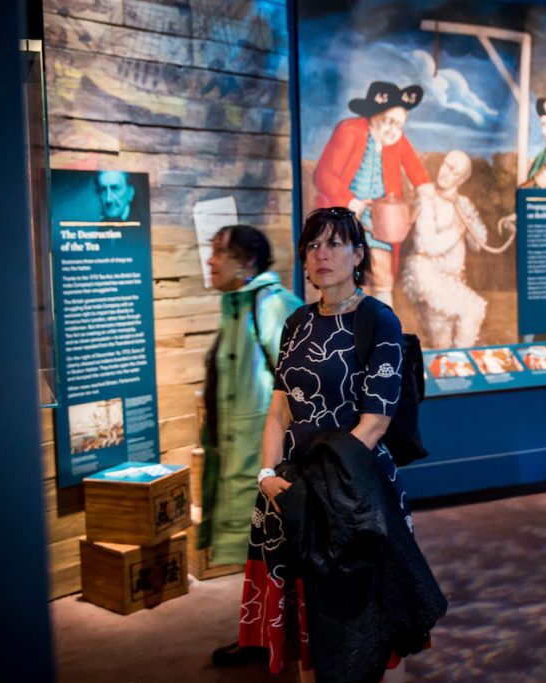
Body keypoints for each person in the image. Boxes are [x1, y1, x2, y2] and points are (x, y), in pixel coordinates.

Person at [239, 207, 444, 682]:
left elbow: (375, 422)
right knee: (307, 615)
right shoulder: (296, 323)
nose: (322, 254)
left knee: (360, 618)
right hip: (292, 490)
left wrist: (322, 485)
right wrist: (268, 475)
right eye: (313, 246)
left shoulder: (378, 321)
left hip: (353, 489)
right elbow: (279, 409)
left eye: (334, 244)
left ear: (357, 255)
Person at [204, 225, 303, 668]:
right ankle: (260, 638)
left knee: (277, 554)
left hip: (270, 462)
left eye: (220, 252)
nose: (211, 261)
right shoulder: (238, 307)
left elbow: (300, 388)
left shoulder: (271, 306)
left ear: (246, 264)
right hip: (246, 455)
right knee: (261, 555)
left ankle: (280, 642)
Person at [313, 81, 434, 306]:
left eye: (399, 124)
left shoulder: (395, 138)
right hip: (344, 222)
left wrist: (424, 192)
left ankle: (383, 331)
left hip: (380, 225)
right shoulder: (350, 130)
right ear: (374, 116)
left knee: (382, 276)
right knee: (348, 278)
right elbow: (324, 174)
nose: (393, 129)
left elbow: (417, 170)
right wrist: (349, 201)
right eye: (389, 121)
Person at [403, 150, 514, 349]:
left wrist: (478, 224)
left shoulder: (463, 203)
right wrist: (457, 231)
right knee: (473, 309)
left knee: (442, 342)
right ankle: (462, 358)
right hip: (426, 274)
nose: (446, 173)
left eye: (454, 171)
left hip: (451, 278)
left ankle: (454, 365)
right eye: (446, 165)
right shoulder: (427, 198)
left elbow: (478, 244)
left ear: (461, 180)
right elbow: (426, 244)